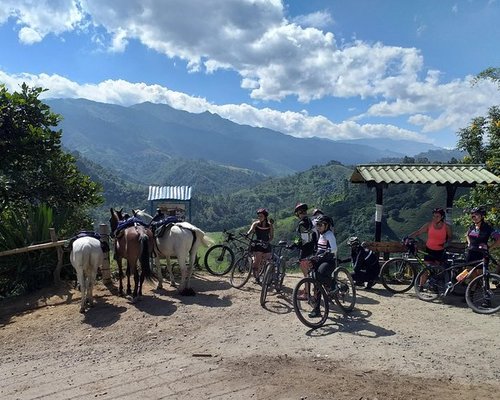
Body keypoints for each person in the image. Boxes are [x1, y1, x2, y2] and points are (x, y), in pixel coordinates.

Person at [306, 215, 337, 316]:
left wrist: (324, 253)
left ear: (327, 225)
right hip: (321, 260)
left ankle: (332, 284)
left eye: (320, 225)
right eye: (317, 225)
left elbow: (334, 249)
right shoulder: (322, 235)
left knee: (318, 275)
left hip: (329, 261)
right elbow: (319, 249)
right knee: (316, 281)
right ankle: (317, 309)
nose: (318, 227)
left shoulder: (329, 235)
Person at [247, 208, 274, 283]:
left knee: (269, 260)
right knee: (257, 260)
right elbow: (251, 230)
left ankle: (269, 275)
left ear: (265, 216)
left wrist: (268, 241)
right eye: (258, 216)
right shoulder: (256, 224)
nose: (259, 217)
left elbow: (271, 236)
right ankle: (257, 277)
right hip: (258, 244)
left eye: (261, 216)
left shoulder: (270, 225)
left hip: (266, 244)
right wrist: (247, 234)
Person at [293, 203, 318, 277]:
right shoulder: (310, 221)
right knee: (311, 267)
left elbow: (302, 238)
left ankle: (307, 287)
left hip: (305, 249)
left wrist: (294, 244)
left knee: (303, 267)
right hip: (313, 247)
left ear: (298, 214)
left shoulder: (302, 224)